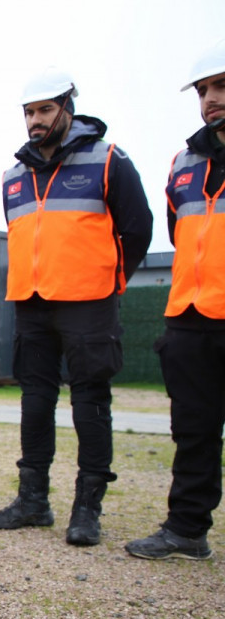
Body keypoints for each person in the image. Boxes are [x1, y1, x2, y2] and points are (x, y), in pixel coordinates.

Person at [0, 68, 152, 546]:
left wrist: (109, 280)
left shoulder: (108, 160)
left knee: (90, 402)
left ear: (67, 108)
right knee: (35, 402)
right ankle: (32, 501)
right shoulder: (13, 177)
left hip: (88, 304)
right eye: (28, 113)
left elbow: (138, 228)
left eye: (45, 110)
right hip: (32, 303)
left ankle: (87, 509)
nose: (35, 121)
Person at [126, 38, 225, 561]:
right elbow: (178, 232)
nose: (211, 99)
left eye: (221, 86)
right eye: (204, 90)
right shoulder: (184, 163)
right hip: (190, 316)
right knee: (193, 432)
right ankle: (187, 529)